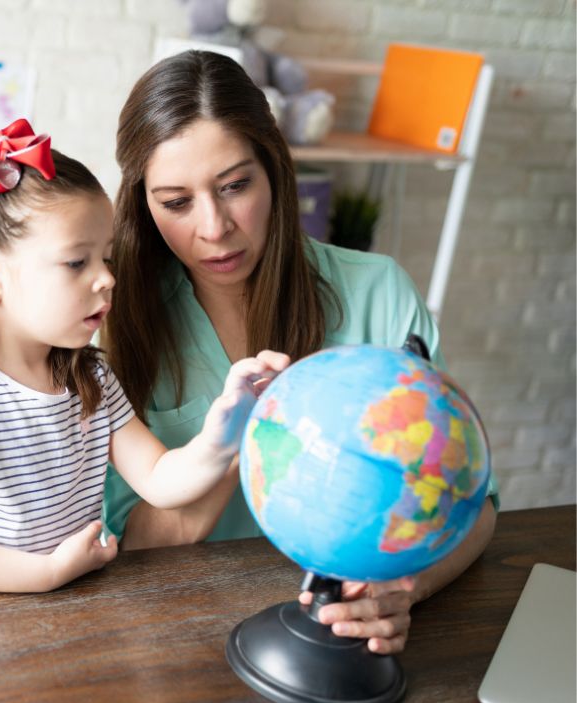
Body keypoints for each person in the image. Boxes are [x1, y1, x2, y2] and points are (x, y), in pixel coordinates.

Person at [101, 51, 499, 654]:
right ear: (142, 204)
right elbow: (129, 546)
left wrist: (402, 590)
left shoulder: (378, 292)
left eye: (236, 186)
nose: (213, 227)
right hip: (178, 632)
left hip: (337, 635)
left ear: (275, 171)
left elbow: (474, 502)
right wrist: (243, 441)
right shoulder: (114, 323)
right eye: (176, 202)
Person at [0, 119, 287, 593]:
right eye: (76, 262)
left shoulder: (91, 378)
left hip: (41, 616)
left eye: (105, 258)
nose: (107, 278)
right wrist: (46, 573)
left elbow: (157, 478)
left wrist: (220, 435)